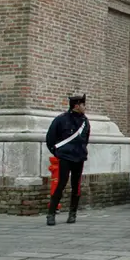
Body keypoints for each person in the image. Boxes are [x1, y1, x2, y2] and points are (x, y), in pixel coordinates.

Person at [45, 94, 91, 226]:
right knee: (61, 184)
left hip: (79, 157)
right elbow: (50, 139)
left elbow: (85, 139)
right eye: (83, 105)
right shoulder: (61, 120)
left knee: (76, 186)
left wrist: (80, 151)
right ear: (76, 106)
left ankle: (72, 213)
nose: (85, 107)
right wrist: (58, 153)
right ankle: (51, 214)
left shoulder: (85, 121)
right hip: (64, 157)